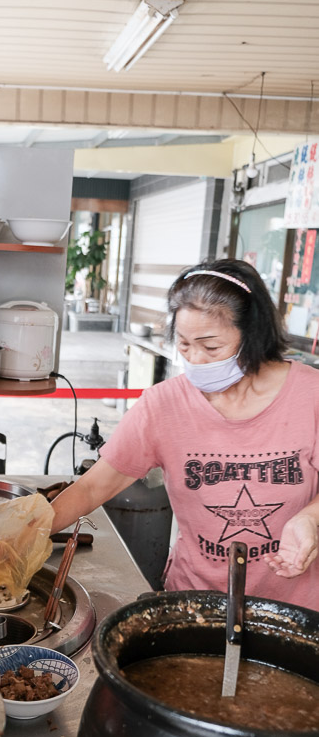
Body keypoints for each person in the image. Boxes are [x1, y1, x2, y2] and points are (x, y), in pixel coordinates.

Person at [50, 258, 319, 612]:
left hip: (294, 609)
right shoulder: (163, 405)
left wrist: (311, 518)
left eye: (211, 347)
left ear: (253, 334)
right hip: (192, 604)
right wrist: (27, 532)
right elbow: (91, 487)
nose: (195, 360)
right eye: (184, 344)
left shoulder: (310, 395)